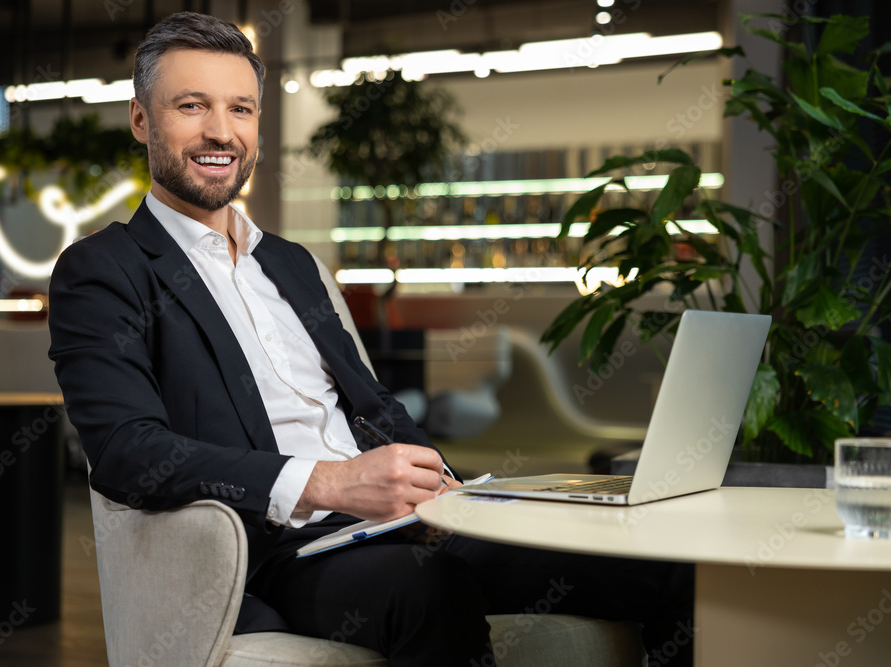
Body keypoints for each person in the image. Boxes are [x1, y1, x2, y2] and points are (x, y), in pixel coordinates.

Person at [48, 12, 693, 666]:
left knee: (667, 567)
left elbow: (373, 404)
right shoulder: (104, 269)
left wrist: (446, 485)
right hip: (281, 552)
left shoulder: (292, 264)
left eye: (240, 108)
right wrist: (326, 483)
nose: (221, 130)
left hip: (407, 526)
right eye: (192, 106)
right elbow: (127, 451)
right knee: (429, 587)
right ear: (140, 119)